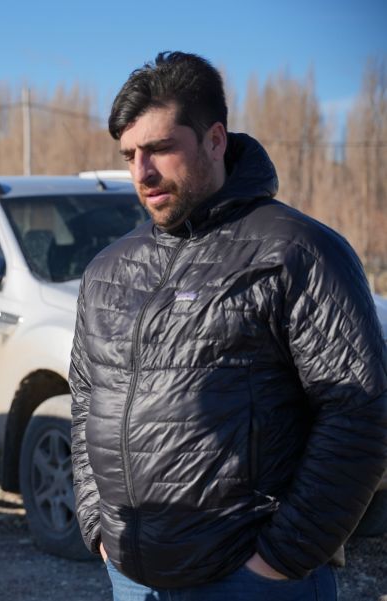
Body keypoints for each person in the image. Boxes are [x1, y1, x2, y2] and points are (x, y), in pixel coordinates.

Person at [69, 52, 387, 600]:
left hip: (249, 579)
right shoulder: (108, 270)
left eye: (162, 149)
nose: (142, 173)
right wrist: (98, 521)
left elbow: (359, 411)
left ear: (215, 140)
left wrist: (283, 557)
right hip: (131, 576)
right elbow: (85, 398)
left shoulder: (296, 251)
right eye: (130, 155)